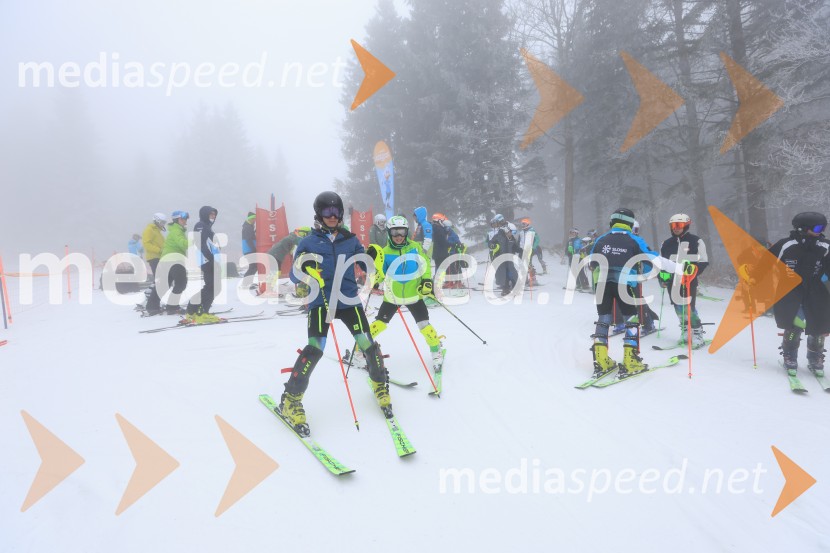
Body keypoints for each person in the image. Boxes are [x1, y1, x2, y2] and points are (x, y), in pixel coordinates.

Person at [279, 191, 391, 437]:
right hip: (320, 302)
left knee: (367, 344)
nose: (332, 216)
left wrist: (372, 261)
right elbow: (294, 275)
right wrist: (306, 268)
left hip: (349, 301)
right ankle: (291, 398)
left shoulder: (350, 240)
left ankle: (380, 385)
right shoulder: (309, 241)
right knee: (315, 349)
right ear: (319, 214)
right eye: (327, 212)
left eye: (337, 211)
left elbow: (365, 266)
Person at [589, 208, 690, 380]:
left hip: (602, 285)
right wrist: (681, 268)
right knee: (631, 319)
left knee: (604, 319)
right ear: (630, 223)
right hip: (625, 284)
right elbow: (655, 259)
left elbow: (592, 262)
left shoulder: (601, 239)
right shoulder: (634, 240)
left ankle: (601, 360)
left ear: (612, 222)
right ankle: (630, 361)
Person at [352, 215, 445, 376]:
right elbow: (381, 275)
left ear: (407, 232)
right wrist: (373, 273)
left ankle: (436, 351)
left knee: (424, 326)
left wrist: (427, 281)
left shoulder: (415, 247)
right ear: (389, 233)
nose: (399, 236)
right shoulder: (385, 252)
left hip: (414, 295)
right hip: (392, 297)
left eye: (402, 232)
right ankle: (359, 351)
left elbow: (425, 267)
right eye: (395, 233)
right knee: (379, 324)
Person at [740, 212, 830, 377]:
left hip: (815, 291)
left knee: (819, 324)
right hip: (790, 290)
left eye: (824, 227)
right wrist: (753, 279)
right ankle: (790, 354)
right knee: (794, 323)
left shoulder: (825, 246)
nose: (821, 230)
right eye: (818, 227)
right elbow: (766, 263)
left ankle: (815, 357)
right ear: (804, 227)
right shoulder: (786, 245)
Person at [658, 214, 709, 347]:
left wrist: (694, 270)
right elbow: (662, 262)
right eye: (673, 226)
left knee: (689, 307)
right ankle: (685, 330)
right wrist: (662, 277)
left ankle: (697, 333)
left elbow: (703, 261)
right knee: (677, 306)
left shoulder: (696, 241)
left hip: (689, 280)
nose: (676, 228)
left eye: (679, 225)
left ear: (686, 225)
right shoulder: (666, 243)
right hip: (672, 281)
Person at [184, 206, 222, 324]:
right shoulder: (200, 225)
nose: (213, 216)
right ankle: (201, 312)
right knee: (212, 286)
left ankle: (193, 311)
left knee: (211, 286)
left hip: (210, 259)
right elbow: (201, 243)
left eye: (214, 215)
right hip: (206, 260)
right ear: (205, 214)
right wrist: (210, 257)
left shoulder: (207, 227)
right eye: (211, 214)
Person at [158, 211, 190, 315]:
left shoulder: (177, 230)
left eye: (185, 219)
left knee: (166, 284)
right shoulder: (177, 230)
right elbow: (183, 244)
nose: (185, 221)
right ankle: (172, 307)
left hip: (169, 259)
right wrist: (195, 240)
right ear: (177, 220)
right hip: (173, 259)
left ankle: (152, 305)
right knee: (181, 283)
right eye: (183, 219)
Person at [267, 227, 311, 296]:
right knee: (275, 272)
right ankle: (269, 289)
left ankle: (270, 289)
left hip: (275, 255)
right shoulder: (292, 238)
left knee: (276, 272)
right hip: (274, 255)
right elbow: (301, 243)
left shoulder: (291, 237)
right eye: (307, 234)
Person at [487, 214, 520, 296]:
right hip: (501, 257)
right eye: (510, 232)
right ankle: (505, 288)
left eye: (513, 233)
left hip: (509, 257)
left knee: (511, 272)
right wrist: (492, 245)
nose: (511, 234)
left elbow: (515, 246)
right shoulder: (499, 235)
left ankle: (515, 287)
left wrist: (521, 250)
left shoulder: (510, 236)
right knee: (503, 273)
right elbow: (491, 242)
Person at [141, 213, 167, 315]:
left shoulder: (157, 231)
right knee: (160, 281)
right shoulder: (149, 230)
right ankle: (151, 305)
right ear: (156, 221)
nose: (163, 224)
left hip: (159, 258)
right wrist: (159, 250)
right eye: (161, 222)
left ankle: (153, 302)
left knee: (161, 281)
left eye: (164, 222)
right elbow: (146, 243)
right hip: (154, 258)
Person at [241, 212, 260, 279]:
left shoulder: (248, 226)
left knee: (254, 266)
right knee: (254, 266)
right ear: (250, 219)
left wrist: (254, 232)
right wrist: (254, 250)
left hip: (249, 250)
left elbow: (250, 236)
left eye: (255, 219)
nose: (254, 221)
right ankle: (245, 283)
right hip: (249, 250)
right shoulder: (247, 227)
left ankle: (247, 283)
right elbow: (248, 239)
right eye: (253, 219)